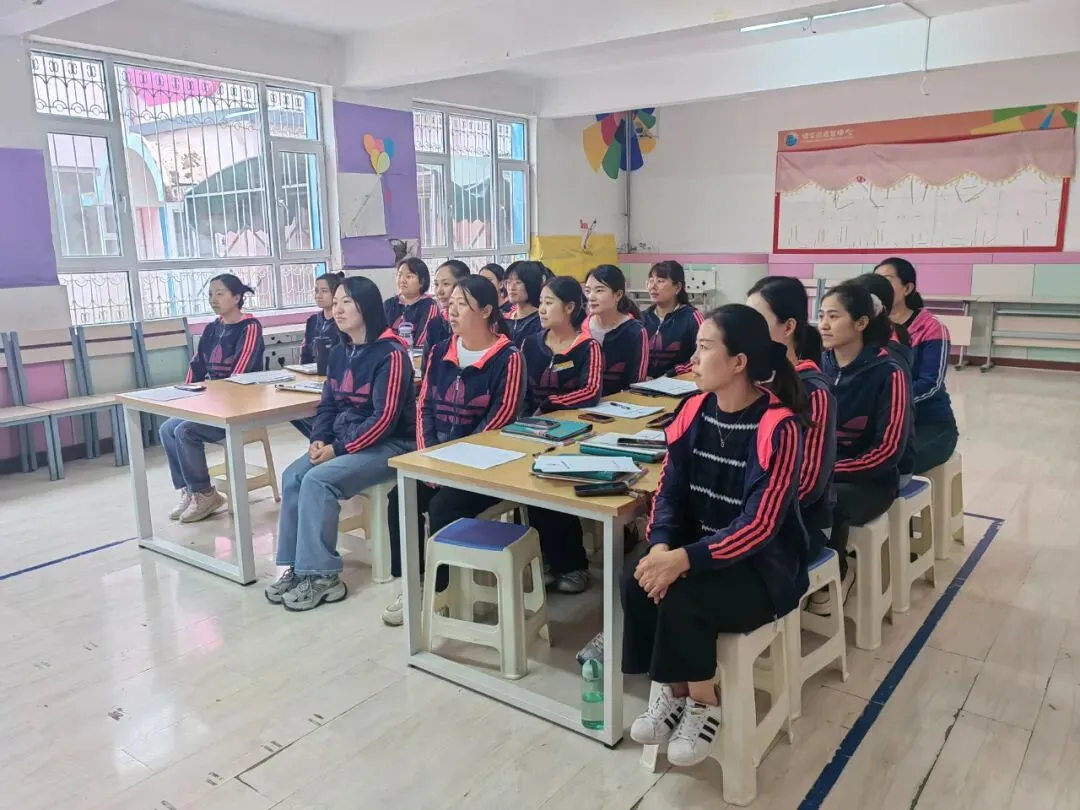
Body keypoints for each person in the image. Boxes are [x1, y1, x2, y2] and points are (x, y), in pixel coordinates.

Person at [624, 304, 809, 768]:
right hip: (697, 548)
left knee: (684, 597)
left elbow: (760, 525)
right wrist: (661, 548)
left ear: (739, 362)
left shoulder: (778, 426)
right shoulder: (692, 411)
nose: (693, 358)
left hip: (761, 567)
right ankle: (674, 691)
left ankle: (705, 701)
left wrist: (683, 560)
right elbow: (667, 492)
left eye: (705, 348)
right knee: (637, 578)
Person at [382, 275, 526, 626]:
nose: (452, 311)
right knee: (400, 497)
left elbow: (499, 422)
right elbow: (425, 407)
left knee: (443, 505)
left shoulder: (508, 358)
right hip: (438, 462)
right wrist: (429, 458)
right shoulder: (439, 351)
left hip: (487, 470)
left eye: (462, 304)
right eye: (451, 304)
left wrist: (452, 467)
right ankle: (412, 582)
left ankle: (440, 589)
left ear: (487, 311)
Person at [266, 276, 416, 611]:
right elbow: (328, 406)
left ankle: (323, 577)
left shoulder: (391, 354)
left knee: (318, 480)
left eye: (346, 301)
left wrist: (338, 449)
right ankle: (297, 567)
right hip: (346, 440)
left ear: (367, 307)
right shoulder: (339, 351)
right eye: (335, 303)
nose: (337, 309)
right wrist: (319, 439)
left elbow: (384, 419)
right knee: (293, 476)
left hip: (392, 445)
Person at [747, 276, 837, 615]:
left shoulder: (814, 391)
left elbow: (809, 484)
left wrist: (747, 512)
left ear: (787, 327)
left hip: (797, 523)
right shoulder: (750, 380)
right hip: (750, 513)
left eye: (757, 320)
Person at [819, 281, 911, 595]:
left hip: (871, 482)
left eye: (833, 316)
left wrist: (827, 471)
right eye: (822, 315)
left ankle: (835, 577)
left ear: (860, 323)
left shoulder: (889, 372)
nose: (823, 324)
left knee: (826, 500)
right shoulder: (820, 364)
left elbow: (888, 451)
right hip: (824, 471)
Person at [520, 276, 603, 593]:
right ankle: (543, 558)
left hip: (574, 432)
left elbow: (590, 392)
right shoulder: (531, 344)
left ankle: (572, 564)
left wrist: (550, 404)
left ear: (569, 307)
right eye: (541, 302)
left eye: (549, 303)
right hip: (530, 429)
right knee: (526, 483)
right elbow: (521, 387)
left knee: (552, 483)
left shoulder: (587, 347)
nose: (541, 309)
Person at [160, 274, 264, 523]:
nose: (213, 300)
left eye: (220, 294)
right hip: (213, 402)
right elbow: (197, 364)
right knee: (167, 428)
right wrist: (186, 395)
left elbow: (241, 373)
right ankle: (190, 490)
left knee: (185, 431)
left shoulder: (250, 327)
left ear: (236, 298)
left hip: (239, 406)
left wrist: (211, 398)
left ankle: (205, 493)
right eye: (210, 295)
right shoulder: (211, 328)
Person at [875, 258, 959, 474]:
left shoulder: (931, 328)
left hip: (928, 424)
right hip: (883, 423)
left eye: (887, 280)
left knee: (888, 467)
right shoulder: (869, 326)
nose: (880, 287)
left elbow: (931, 383)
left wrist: (887, 402)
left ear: (908, 288)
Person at [852, 272, 915, 485]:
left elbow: (887, 449)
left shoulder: (889, 361)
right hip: (851, 459)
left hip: (883, 469)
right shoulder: (838, 356)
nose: (825, 324)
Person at [292, 271, 344, 438]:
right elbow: (306, 353)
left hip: (333, 379)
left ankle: (325, 438)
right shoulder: (313, 321)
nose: (318, 295)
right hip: (312, 377)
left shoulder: (343, 321)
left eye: (324, 291)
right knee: (294, 411)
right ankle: (320, 438)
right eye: (316, 291)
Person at [584, 264, 649, 395]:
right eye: (588, 291)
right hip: (582, 403)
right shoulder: (580, 327)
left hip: (621, 403)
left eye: (599, 290)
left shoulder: (635, 332)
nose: (591, 297)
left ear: (618, 295)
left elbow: (636, 383)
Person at [642, 260, 704, 378]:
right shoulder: (642, 318)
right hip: (642, 384)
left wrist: (670, 374)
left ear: (678, 287)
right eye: (651, 281)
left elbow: (703, 354)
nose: (653, 286)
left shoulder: (692, 317)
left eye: (660, 281)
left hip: (679, 382)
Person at [384, 257, 439, 349]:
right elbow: (381, 335)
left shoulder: (429, 305)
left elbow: (422, 342)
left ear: (422, 282)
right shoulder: (389, 304)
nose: (402, 280)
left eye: (409, 276)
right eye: (399, 275)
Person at [427, 260, 471, 348]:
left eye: (446, 284)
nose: (439, 291)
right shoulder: (435, 324)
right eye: (436, 284)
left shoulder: (475, 321)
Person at [504, 261, 545, 347]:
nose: (511, 288)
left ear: (532, 284)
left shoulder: (541, 320)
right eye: (508, 282)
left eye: (518, 282)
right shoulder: (504, 319)